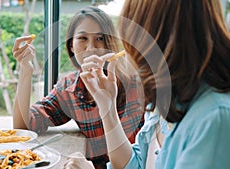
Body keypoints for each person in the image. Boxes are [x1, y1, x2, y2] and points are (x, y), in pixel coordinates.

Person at [64, 0, 230, 169]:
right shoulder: (168, 99)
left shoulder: (216, 122)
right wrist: (107, 105)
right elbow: (135, 165)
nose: (126, 48)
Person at [12, 6, 144, 169]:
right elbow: (23, 126)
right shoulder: (68, 89)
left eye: (100, 38)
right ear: (71, 47)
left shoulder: (135, 82)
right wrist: (26, 71)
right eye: (82, 38)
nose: (91, 47)